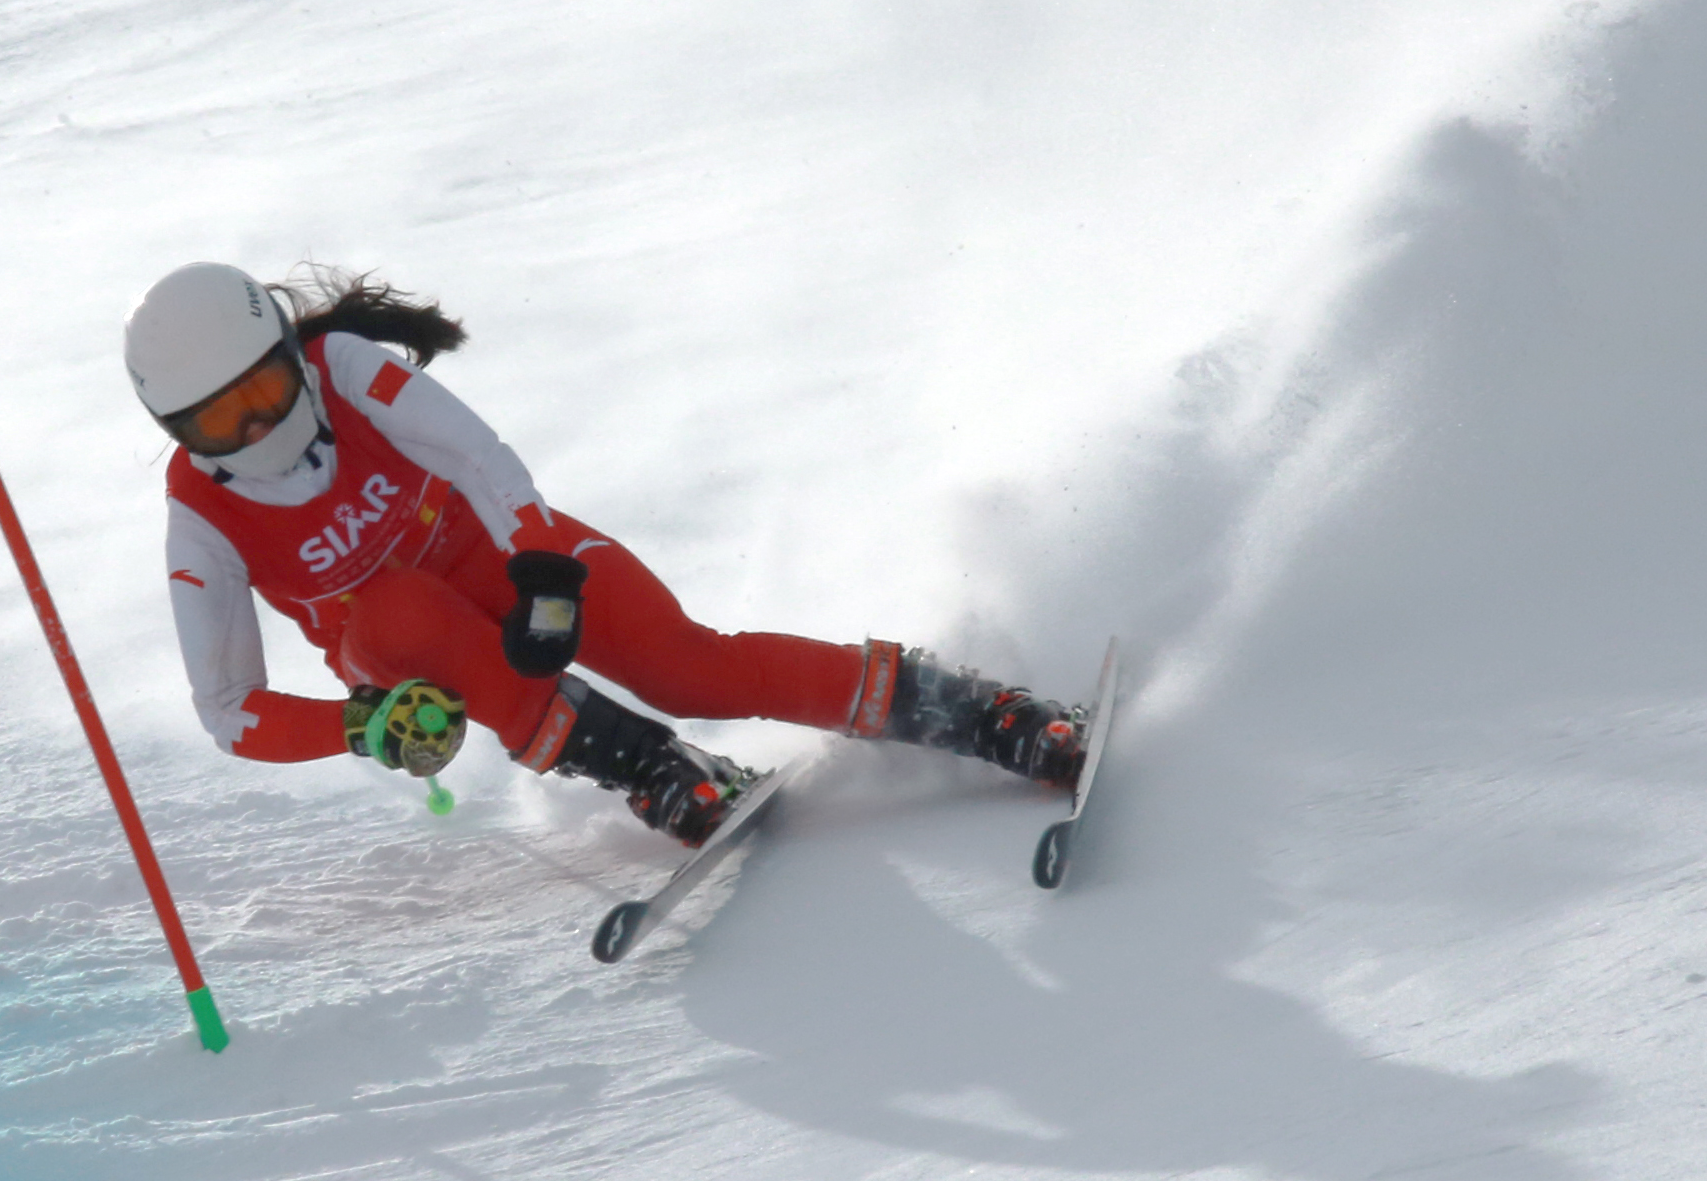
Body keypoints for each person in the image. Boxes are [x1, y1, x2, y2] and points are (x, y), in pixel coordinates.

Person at [126, 262, 1086, 845]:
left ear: (290, 355)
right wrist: (357, 725)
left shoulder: (341, 367)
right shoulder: (199, 517)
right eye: (219, 422)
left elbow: (479, 458)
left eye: (263, 393)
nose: (256, 430)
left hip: (501, 552)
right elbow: (228, 708)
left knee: (687, 668)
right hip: (401, 646)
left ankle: (977, 711)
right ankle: (652, 770)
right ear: (178, 432)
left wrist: (544, 574)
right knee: (397, 610)